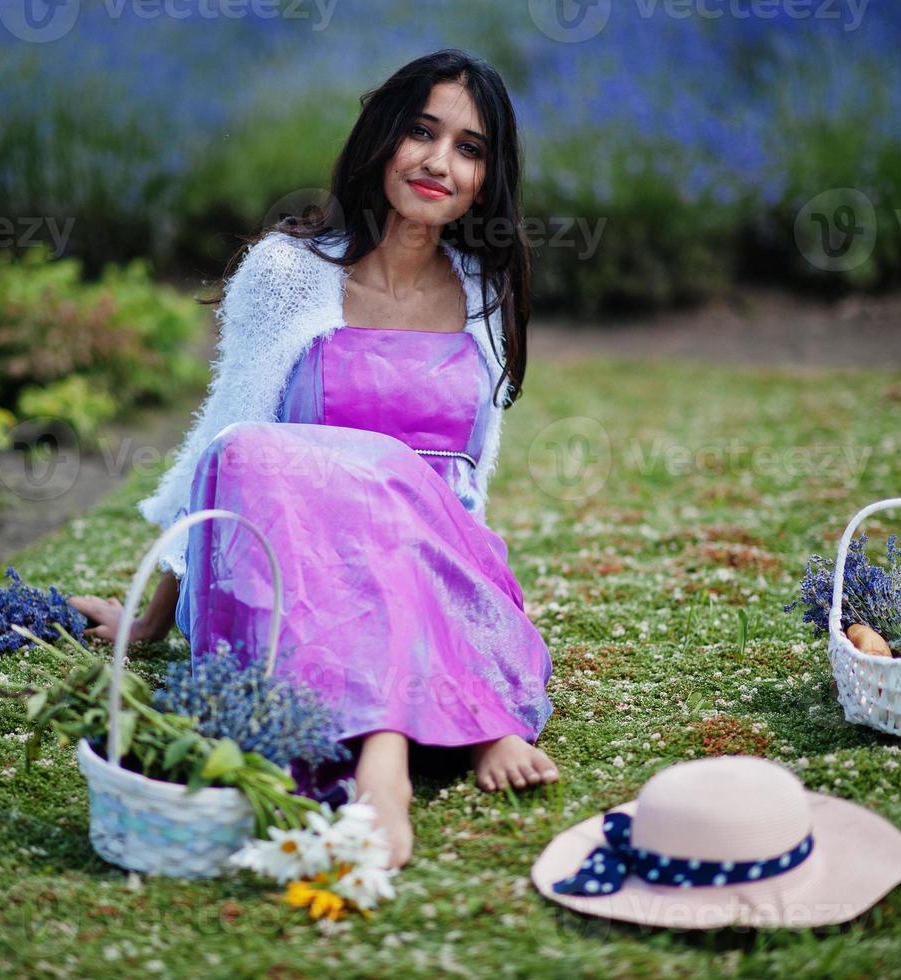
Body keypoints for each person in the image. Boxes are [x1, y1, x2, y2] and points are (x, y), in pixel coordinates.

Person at [70, 49, 558, 870]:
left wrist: (473, 613)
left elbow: (464, 490)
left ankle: (394, 738)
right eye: (421, 133)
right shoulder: (289, 273)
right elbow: (223, 447)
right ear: (381, 140)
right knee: (259, 449)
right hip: (294, 562)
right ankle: (395, 758)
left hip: (425, 556)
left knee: (400, 487)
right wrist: (156, 621)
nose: (439, 163)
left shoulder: (482, 288)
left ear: (488, 176)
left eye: (469, 148)